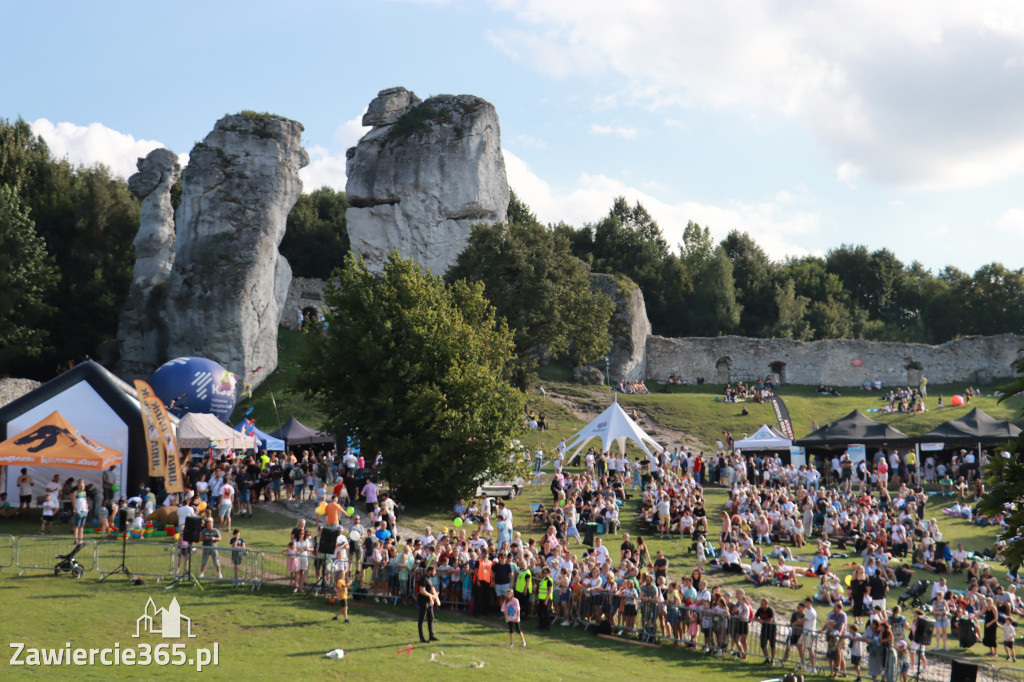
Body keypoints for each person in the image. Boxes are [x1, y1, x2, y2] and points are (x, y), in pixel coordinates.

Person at [417, 564, 441, 643]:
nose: (435, 573)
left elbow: (429, 590)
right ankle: (421, 638)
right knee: (422, 619)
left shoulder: (429, 579)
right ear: (429, 571)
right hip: (423, 601)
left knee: (431, 617)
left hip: (429, 601)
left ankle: (431, 636)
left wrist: (434, 595)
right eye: (434, 571)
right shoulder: (423, 579)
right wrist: (431, 595)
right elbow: (422, 591)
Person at [537, 566, 555, 631]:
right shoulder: (543, 579)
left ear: (549, 573)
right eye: (543, 572)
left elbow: (549, 591)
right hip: (541, 598)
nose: (544, 574)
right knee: (539, 612)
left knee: (546, 613)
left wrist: (547, 600)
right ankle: (541, 625)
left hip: (546, 599)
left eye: (545, 572)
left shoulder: (549, 580)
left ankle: (546, 627)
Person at [72, 479, 89, 544]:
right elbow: (73, 502)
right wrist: (76, 510)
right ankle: (76, 539)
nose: (83, 487)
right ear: (78, 485)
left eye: (83, 486)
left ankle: (81, 539)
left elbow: (85, 501)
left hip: (84, 510)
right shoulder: (75, 492)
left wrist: (87, 509)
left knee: (82, 526)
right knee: (77, 526)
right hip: (78, 511)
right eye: (81, 485)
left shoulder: (84, 493)